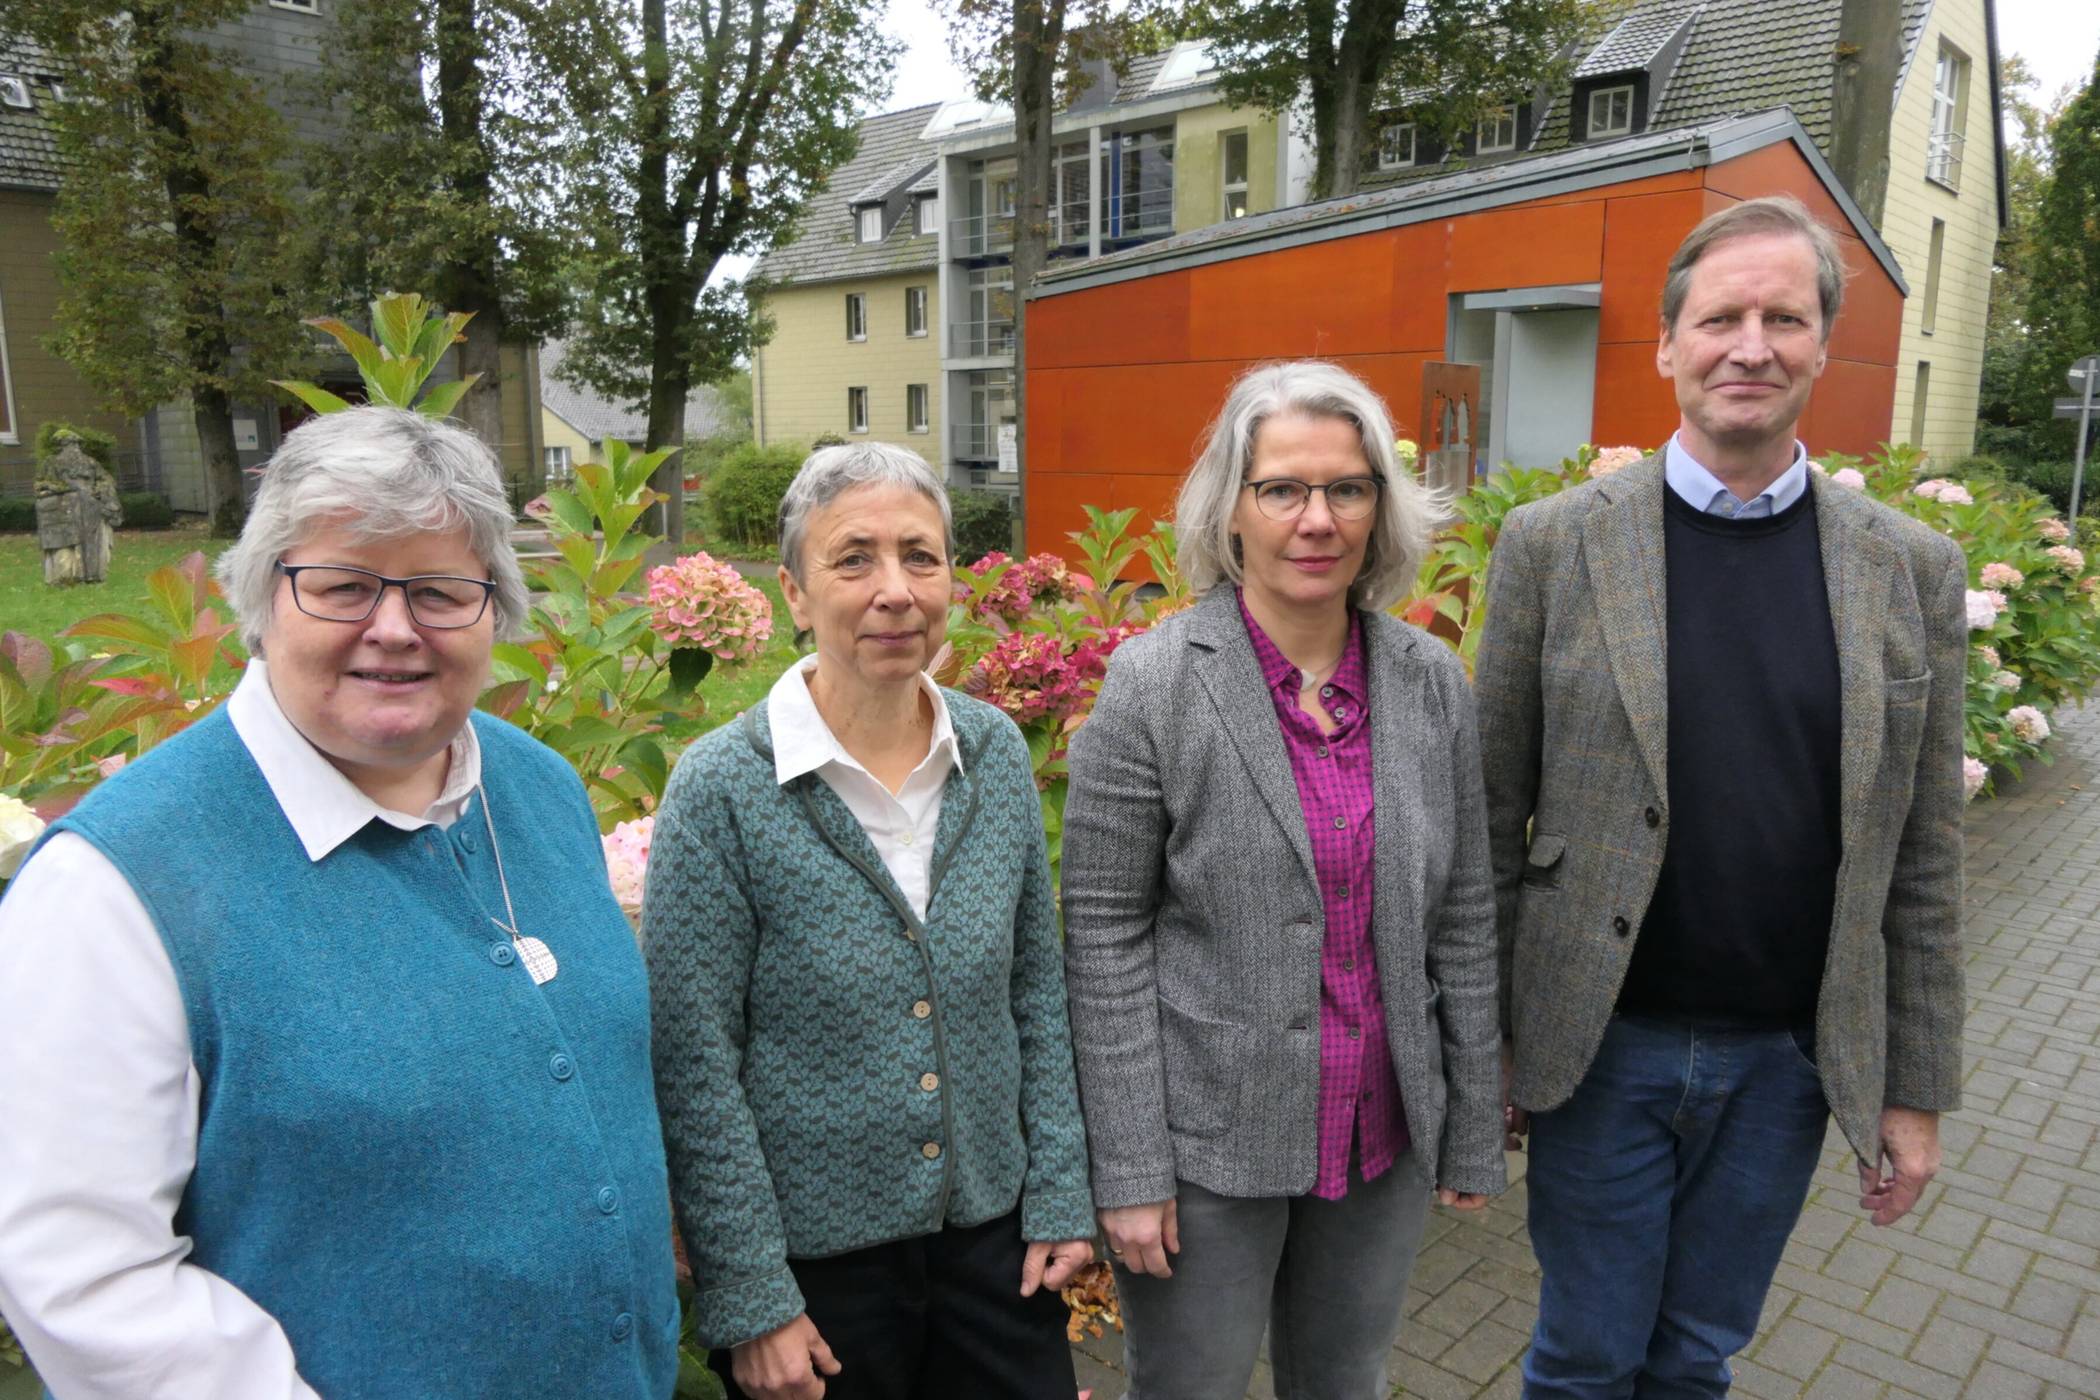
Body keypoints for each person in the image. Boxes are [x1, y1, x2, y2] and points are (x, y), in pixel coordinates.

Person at [0, 407, 680, 1399]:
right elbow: (86, 1280)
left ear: (495, 608)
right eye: (343, 585)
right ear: (263, 596)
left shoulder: (537, 787)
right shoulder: (113, 889)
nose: (394, 628)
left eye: (441, 590)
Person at [1476, 194, 1968, 1399]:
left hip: (1787, 1061)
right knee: (1586, 1355)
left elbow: (1923, 855)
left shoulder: (1910, 567)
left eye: (1783, 318)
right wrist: (1484, 1044)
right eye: (1720, 318)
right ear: (1666, 344)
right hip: (1601, 1046)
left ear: (1822, 345)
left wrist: (1914, 1092)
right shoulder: (1552, 544)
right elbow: (1486, 819)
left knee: (1696, 1355)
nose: (1751, 345)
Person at [1061, 360, 1505, 1400]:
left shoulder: (1429, 682)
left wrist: (1473, 1123)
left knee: (1345, 1382)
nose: (1317, 519)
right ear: (1231, 507)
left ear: (1379, 506)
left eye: (1347, 488)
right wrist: (1129, 1165)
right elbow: (1103, 937)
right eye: (1282, 489)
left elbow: (1464, 913)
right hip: (1206, 1144)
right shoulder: (1155, 683)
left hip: (1379, 1131)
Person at [643, 442, 1094, 1400]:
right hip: (814, 1280)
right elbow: (693, 1059)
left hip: (996, 1245)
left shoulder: (993, 751)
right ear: (795, 594)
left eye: (920, 556)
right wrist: (750, 1295)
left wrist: (1059, 1188)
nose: (896, 590)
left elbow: (1035, 989)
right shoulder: (722, 788)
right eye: (854, 559)